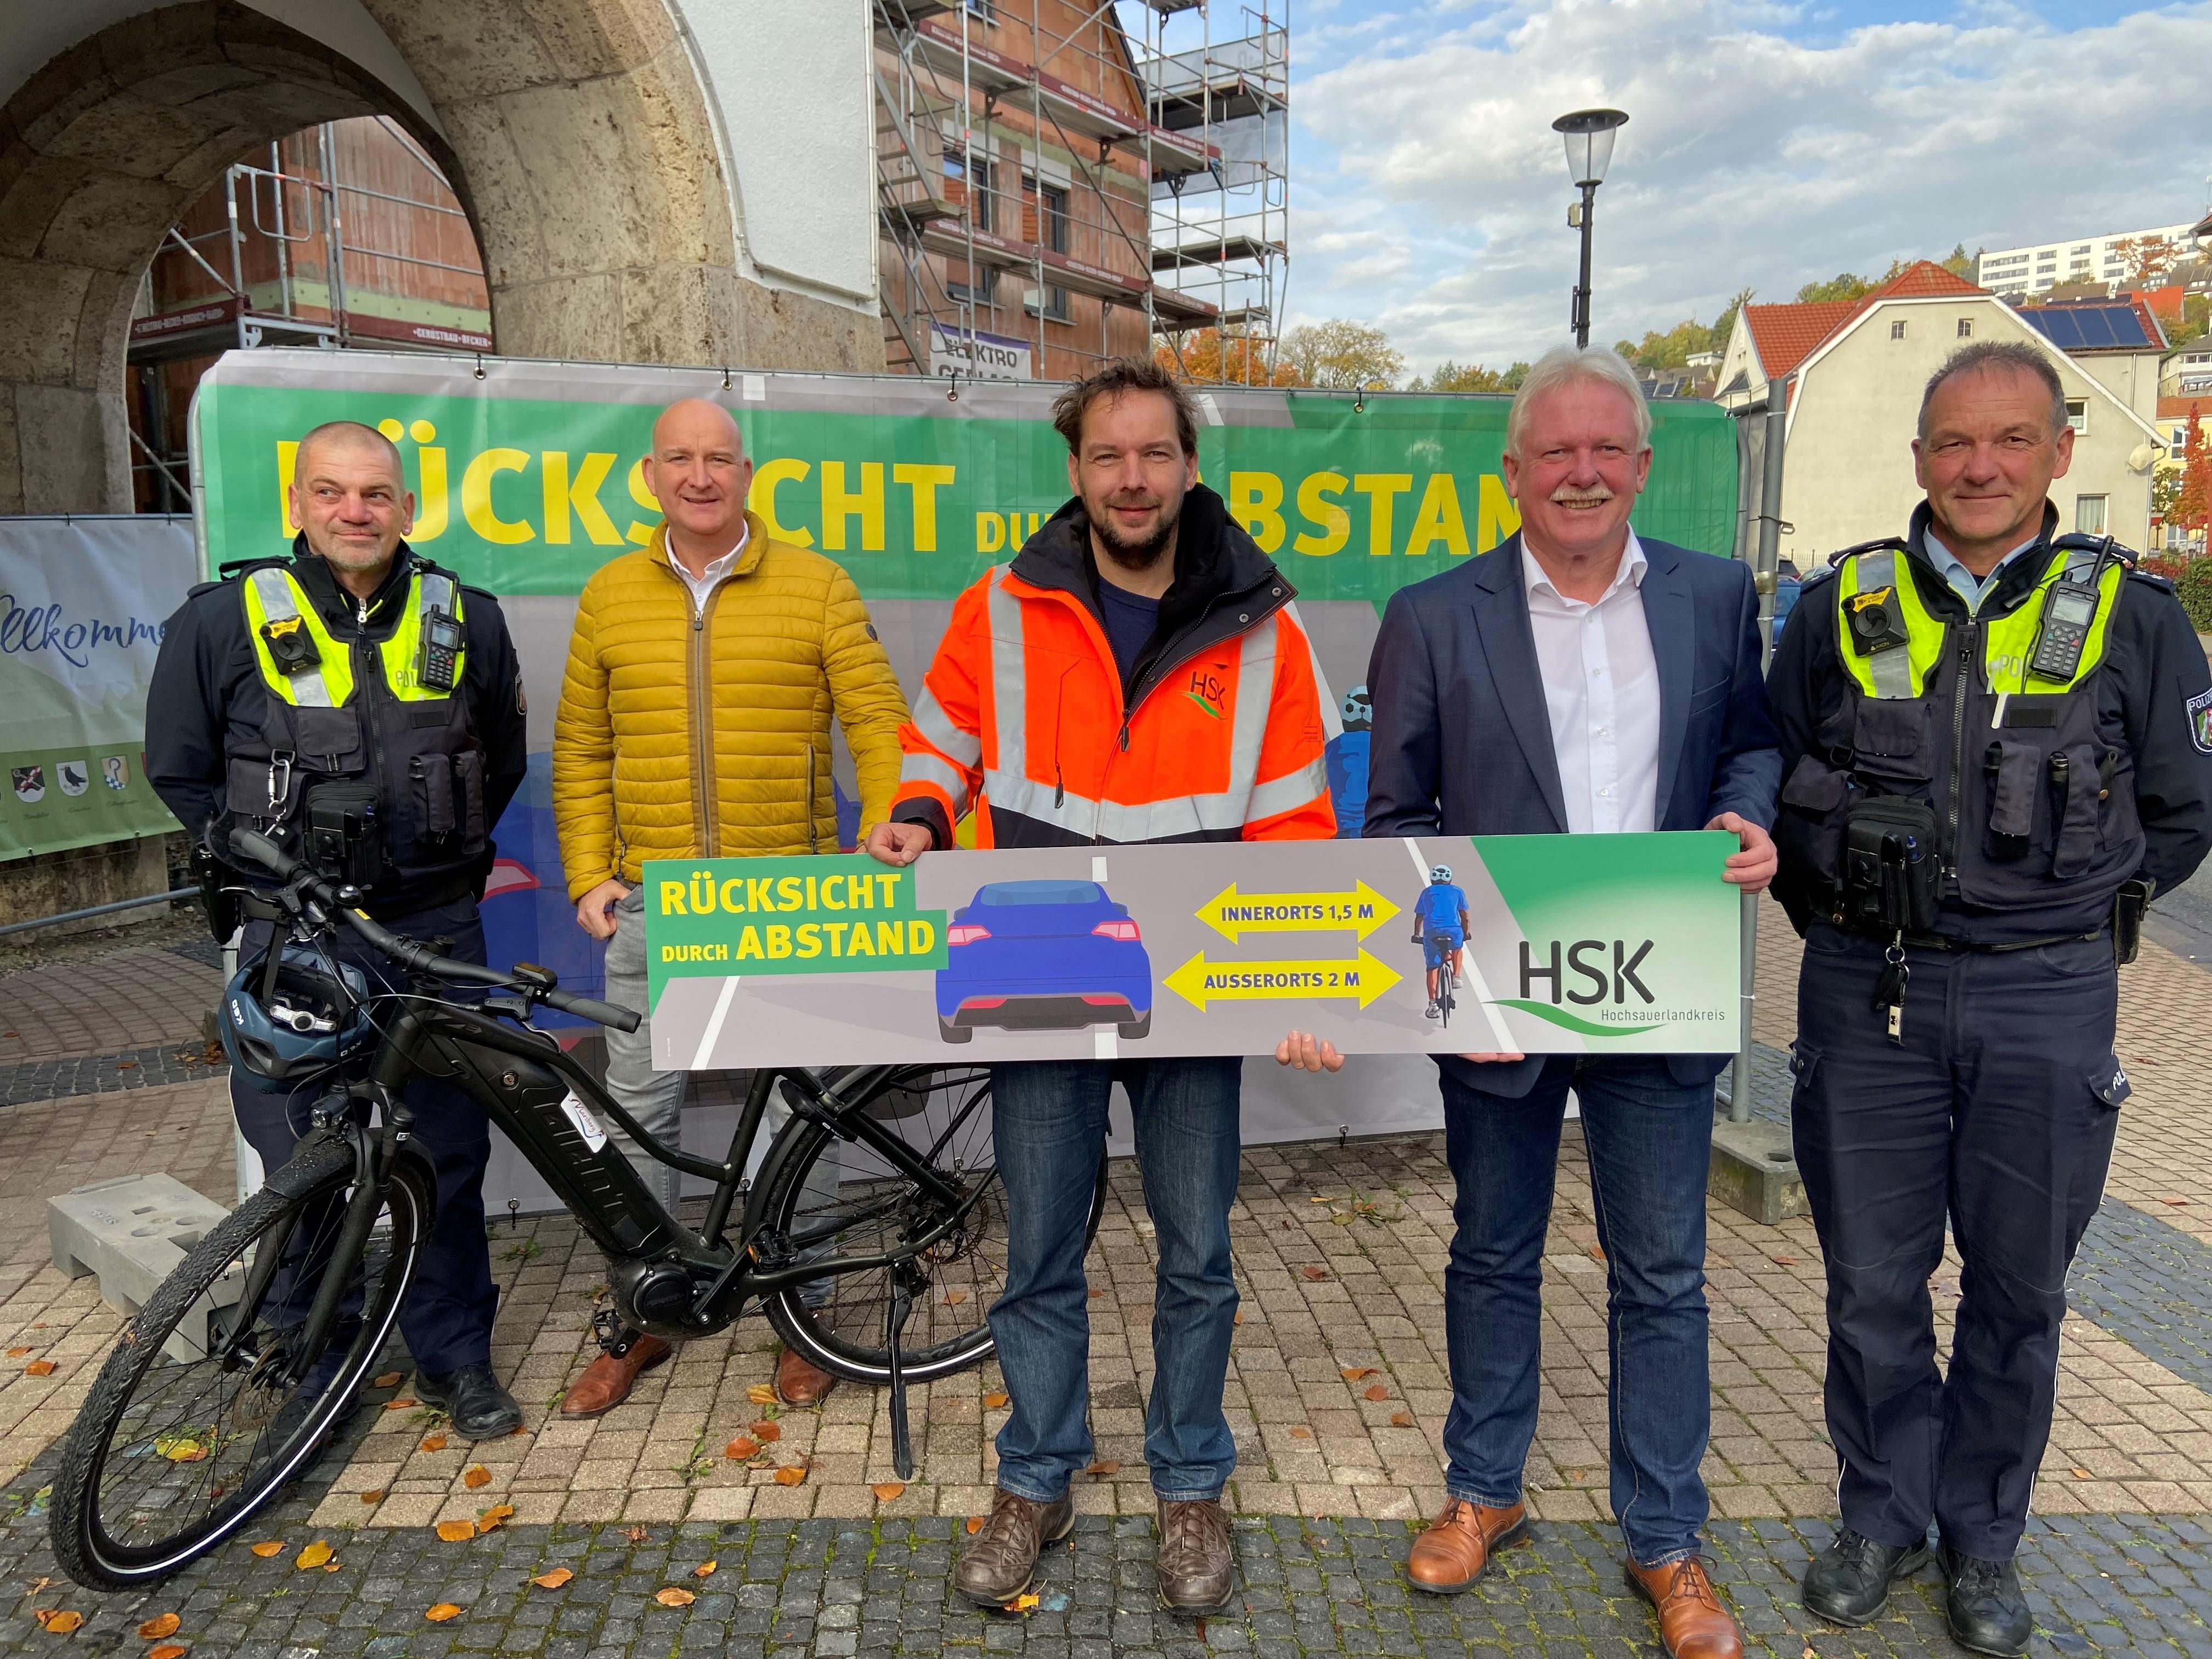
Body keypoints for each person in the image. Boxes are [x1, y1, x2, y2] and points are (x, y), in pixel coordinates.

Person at [865, 358, 1339, 1615]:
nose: (1132, 478)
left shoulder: (1268, 625)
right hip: (1035, 969)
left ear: (1190, 465)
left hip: (1196, 996)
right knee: (1037, 1256)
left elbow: (1297, 822)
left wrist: (1300, 982)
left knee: (1198, 1255)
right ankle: (1037, 1478)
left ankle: (1190, 1489)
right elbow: (939, 736)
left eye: (1155, 454)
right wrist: (916, 813)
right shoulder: (1004, 604)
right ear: (1075, 471)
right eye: (1107, 456)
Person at [1770, 341, 2212, 1658]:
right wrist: (1848, 925)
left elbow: (2185, 814)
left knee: (2019, 1293)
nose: (1980, 466)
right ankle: (1883, 1514)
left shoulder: (2134, 616)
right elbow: (1781, 780)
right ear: (1919, 458)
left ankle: (1985, 1541)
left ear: (2059, 454)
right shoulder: (1839, 606)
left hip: (2046, 1000)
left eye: (2010, 441)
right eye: (1956, 442)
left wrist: (2070, 920)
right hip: (1870, 996)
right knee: (1871, 1285)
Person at [1363, 344, 1781, 1659]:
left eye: (1608, 451)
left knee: (1662, 1273)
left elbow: (1752, 743)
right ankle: (1486, 1489)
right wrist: (1460, 984)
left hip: (1657, 993)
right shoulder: (1435, 615)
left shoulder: (1718, 599)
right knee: (1493, 1254)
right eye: (1559, 453)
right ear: (1516, 473)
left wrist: (1749, 816)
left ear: (1643, 467)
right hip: (1503, 1001)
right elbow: (1399, 823)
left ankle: (1665, 1540)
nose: (1584, 473)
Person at [146, 420, 531, 1439]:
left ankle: (455, 1358)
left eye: (375, 494)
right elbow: (181, 769)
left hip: (434, 932)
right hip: (292, 937)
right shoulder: (221, 623)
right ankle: (313, 1366)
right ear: (298, 507)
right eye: (332, 492)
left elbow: (500, 759)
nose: (354, 512)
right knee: (304, 1157)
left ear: (405, 507)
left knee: (447, 1150)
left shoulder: (470, 620)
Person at [551, 398, 909, 1418]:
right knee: (636, 1124)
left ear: (746, 473)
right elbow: (583, 747)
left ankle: (808, 1318)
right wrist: (588, 871)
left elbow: (877, 719)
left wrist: (883, 830)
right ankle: (641, 1320)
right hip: (659, 900)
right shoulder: (612, 593)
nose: (699, 475)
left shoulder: (817, 585)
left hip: (782, 895)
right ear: (650, 475)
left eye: (718, 458)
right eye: (680, 459)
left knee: (805, 1124)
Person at [1409, 863, 1470, 1018]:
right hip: (1453, 929)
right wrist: (1466, 933)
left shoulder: (1426, 892)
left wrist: (1417, 935)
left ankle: (1432, 1004)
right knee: (1457, 946)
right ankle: (1456, 977)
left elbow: (1419, 918)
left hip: (1432, 932)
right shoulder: (1457, 891)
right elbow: (1465, 917)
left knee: (1432, 968)